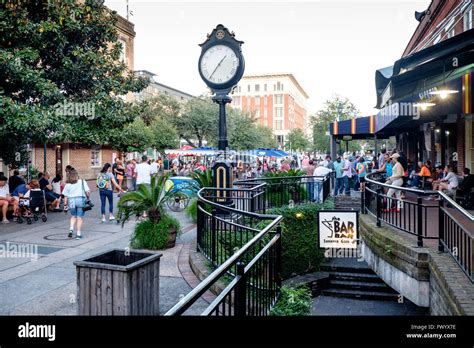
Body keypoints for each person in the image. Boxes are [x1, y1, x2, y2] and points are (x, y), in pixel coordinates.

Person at [63, 170, 90, 240]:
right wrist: (88, 197)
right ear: (77, 175)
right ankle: (78, 234)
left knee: (73, 216)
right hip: (80, 199)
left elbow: (65, 196)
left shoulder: (67, 184)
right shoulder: (82, 182)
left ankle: (71, 229)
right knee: (79, 217)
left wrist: (65, 204)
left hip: (71, 201)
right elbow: (87, 192)